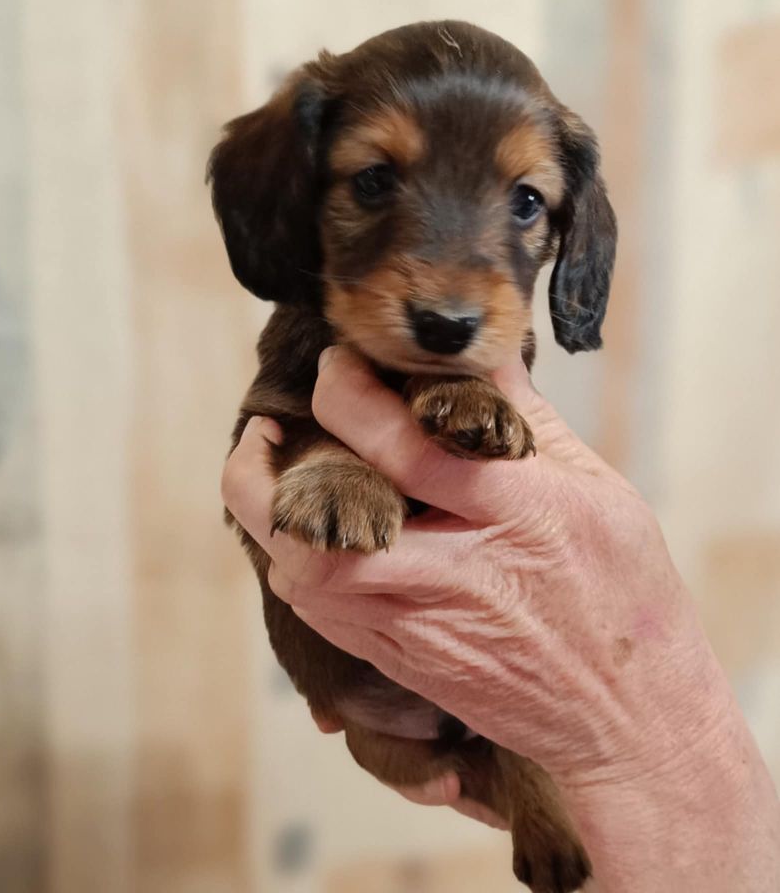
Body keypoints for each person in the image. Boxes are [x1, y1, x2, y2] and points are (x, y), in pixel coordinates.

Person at [222, 345, 780, 892]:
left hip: (492, 748)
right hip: (377, 721)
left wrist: (623, 762)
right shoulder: (311, 340)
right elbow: (268, 445)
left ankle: (543, 800)